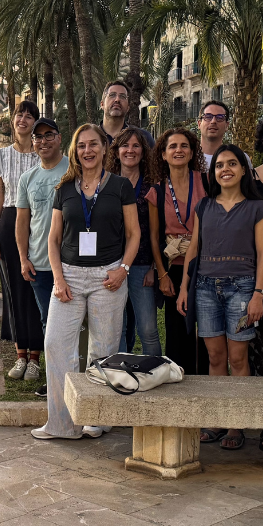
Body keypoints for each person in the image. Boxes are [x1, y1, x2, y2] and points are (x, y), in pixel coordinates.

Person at [32, 124, 139, 441]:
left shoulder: (120, 186)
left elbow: (134, 234)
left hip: (109, 276)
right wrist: (59, 278)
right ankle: (62, 423)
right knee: (55, 344)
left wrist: (123, 269)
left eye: (93, 144)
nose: (87, 151)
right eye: (81, 146)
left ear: (105, 148)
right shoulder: (64, 188)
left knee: (102, 350)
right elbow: (53, 240)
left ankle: (96, 418)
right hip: (69, 276)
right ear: (75, 151)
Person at [177, 144, 263, 451]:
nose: (225, 169)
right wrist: (184, 287)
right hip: (205, 288)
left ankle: (236, 423)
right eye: (219, 165)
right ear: (213, 172)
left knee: (238, 358)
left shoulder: (258, 208)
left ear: (244, 170)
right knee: (215, 357)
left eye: (232, 164)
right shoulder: (204, 206)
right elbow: (193, 248)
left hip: (242, 289)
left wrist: (258, 295)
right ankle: (216, 419)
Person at [147, 127, 208, 374]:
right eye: (172, 146)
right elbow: (154, 238)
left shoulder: (207, 182)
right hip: (173, 267)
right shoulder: (157, 191)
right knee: (177, 330)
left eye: (184, 146)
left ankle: (207, 379)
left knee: (207, 328)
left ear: (192, 152)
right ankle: (179, 379)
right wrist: (162, 275)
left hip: (205, 264)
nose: (178, 150)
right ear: (163, 154)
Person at [15, 117, 69, 392]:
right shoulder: (28, 179)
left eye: (49, 135)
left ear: (59, 138)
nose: (43, 141)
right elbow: (22, 222)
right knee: (50, 322)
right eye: (38, 137)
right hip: (41, 265)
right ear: (33, 143)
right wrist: (23, 258)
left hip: (73, 263)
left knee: (78, 324)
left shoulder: (74, 169)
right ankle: (56, 379)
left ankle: (78, 377)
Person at [0, 101, 42, 376]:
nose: (23, 119)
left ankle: (35, 358)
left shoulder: (42, 155)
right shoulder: (1, 156)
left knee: (35, 286)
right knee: (12, 290)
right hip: (9, 222)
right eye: (19, 114)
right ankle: (20, 354)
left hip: (37, 222)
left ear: (35, 122)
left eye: (29, 116)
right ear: (13, 120)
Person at [106, 127, 160, 356]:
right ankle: (118, 372)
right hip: (112, 264)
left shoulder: (152, 185)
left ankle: (156, 372)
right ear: (116, 151)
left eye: (136, 145)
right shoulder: (105, 184)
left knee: (148, 329)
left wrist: (154, 267)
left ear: (143, 151)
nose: (130, 150)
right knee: (116, 329)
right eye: (125, 145)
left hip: (142, 265)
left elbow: (158, 231)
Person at [100, 80, 156, 147]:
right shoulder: (91, 137)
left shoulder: (144, 138)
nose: (117, 99)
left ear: (128, 108)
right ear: (102, 104)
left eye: (123, 96)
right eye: (112, 95)